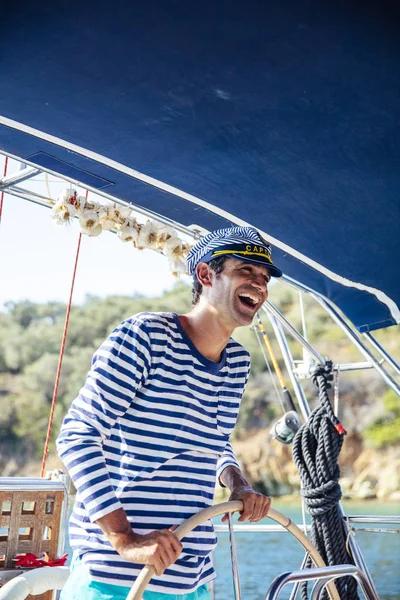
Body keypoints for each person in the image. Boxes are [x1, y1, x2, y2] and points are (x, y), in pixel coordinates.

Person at [57, 225, 283, 600]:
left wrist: (237, 483)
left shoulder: (237, 363)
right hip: (117, 580)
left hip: (190, 580)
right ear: (206, 275)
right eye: (246, 271)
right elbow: (78, 435)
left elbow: (212, 441)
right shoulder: (145, 336)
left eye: (264, 278)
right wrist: (123, 538)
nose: (259, 285)